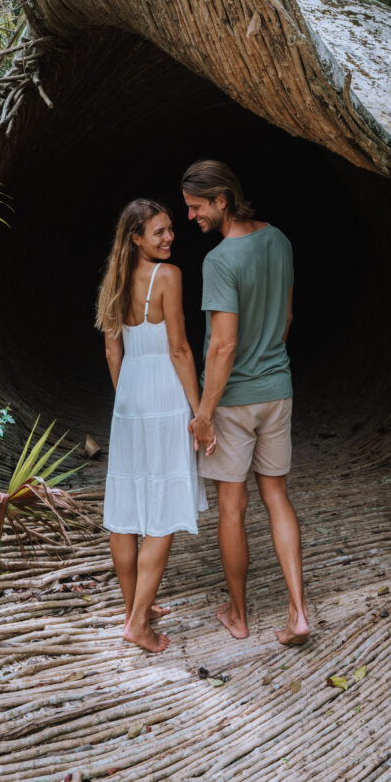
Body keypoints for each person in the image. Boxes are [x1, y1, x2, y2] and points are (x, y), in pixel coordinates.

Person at [181, 160, 310, 646]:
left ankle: (238, 616)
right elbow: (288, 314)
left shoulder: (219, 260)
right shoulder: (279, 240)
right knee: (277, 496)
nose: (191, 216)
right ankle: (298, 611)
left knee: (231, 507)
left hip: (233, 401)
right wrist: (268, 360)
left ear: (222, 200)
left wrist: (205, 413)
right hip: (277, 390)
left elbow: (222, 346)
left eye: (196, 207)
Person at [96, 199, 207, 653]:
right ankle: (138, 624)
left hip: (130, 398)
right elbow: (180, 350)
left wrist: (127, 399)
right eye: (159, 232)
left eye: (170, 230)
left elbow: (111, 351)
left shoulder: (114, 280)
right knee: (160, 509)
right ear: (136, 237)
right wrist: (200, 414)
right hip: (164, 392)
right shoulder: (169, 276)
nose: (169, 238)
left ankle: (132, 607)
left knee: (125, 511)